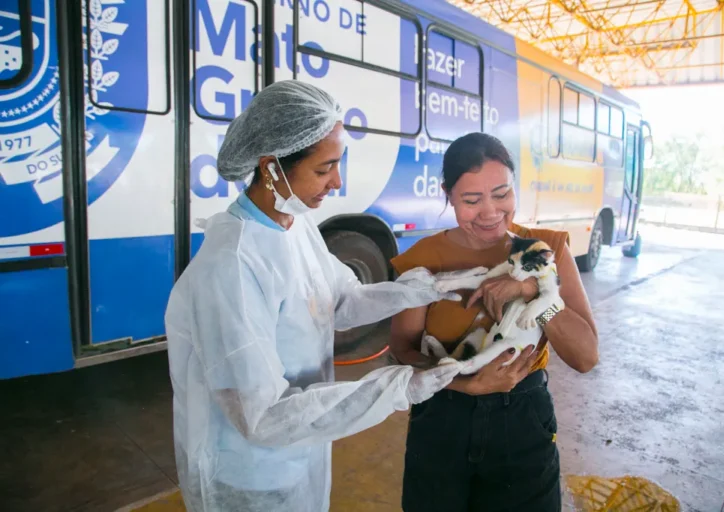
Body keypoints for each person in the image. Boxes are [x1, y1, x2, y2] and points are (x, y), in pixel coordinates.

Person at [164, 81, 469, 512]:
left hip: (301, 447)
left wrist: (412, 292)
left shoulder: (295, 223)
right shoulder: (233, 264)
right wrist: (397, 388)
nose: (337, 183)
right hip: (251, 473)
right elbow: (260, 416)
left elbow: (338, 302)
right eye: (325, 169)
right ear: (271, 168)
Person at [389, 132, 600, 512]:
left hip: (522, 420)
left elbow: (585, 357)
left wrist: (535, 292)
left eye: (502, 194)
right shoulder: (423, 261)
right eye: (471, 200)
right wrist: (466, 384)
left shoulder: (545, 249)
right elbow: (402, 350)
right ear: (448, 195)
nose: (490, 213)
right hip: (442, 416)